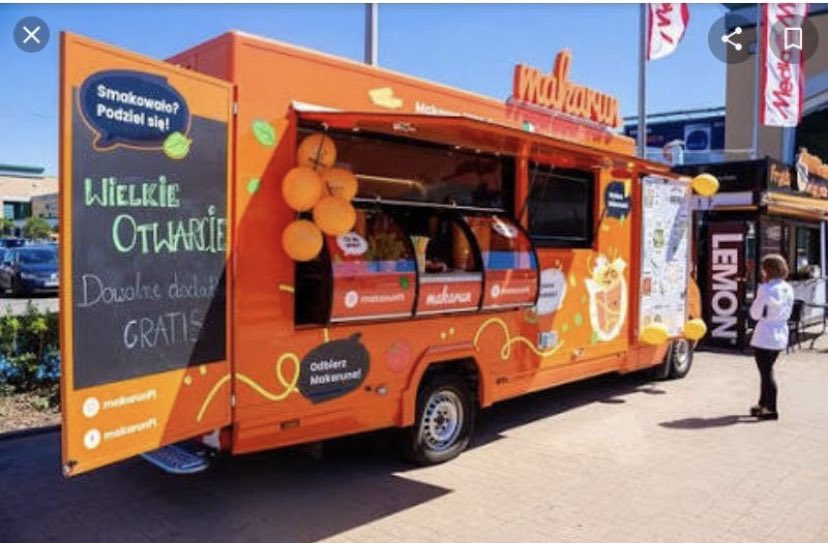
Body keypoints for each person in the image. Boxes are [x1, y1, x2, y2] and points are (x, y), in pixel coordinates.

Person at [748, 254, 795, 421]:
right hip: (780, 333)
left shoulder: (765, 289)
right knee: (767, 371)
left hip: (765, 335)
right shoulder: (787, 288)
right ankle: (762, 403)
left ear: (768, 270)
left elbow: (755, 314)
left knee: (766, 374)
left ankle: (771, 409)